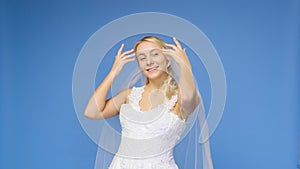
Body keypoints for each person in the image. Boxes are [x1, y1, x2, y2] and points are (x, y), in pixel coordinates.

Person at [84, 36, 214, 169]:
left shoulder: (180, 98)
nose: (149, 62)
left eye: (155, 54)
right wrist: (113, 73)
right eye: (142, 58)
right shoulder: (128, 95)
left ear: (168, 60)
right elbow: (91, 112)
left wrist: (184, 64)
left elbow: (188, 98)